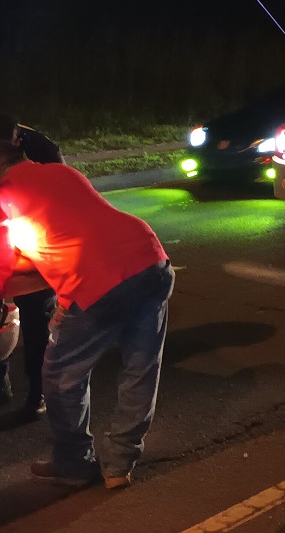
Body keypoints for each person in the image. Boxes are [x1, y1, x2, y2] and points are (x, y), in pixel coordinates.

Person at [0, 121, 174, 489]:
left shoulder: (4, 195)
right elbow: (73, 229)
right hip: (150, 259)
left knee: (61, 377)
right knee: (141, 368)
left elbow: (3, 268)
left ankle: (75, 463)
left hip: (96, 284)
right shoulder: (63, 174)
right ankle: (118, 466)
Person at [0, 120, 64, 425]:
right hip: (14, 264)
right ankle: (4, 383)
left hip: (32, 267)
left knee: (37, 334)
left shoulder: (33, 160)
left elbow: (55, 162)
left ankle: (38, 396)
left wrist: (19, 131)